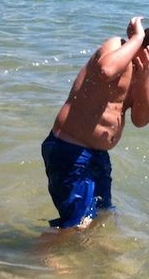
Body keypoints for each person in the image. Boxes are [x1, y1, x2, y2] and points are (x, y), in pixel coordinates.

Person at [42, 16, 149, 230]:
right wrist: (137, 38)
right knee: (76, 226)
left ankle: (78, 256)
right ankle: (42, 257)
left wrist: (146, 76)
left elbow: (140, 119)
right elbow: (106, 70)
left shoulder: (143, 73)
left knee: (100, 215)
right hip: (70, 148)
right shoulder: (116, 46)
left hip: (98, 156)